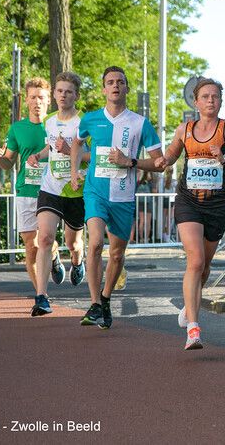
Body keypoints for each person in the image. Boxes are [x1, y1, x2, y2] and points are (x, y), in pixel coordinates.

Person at [156, 77, 225, 350]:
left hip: (217, 205)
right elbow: (170, 156)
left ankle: (190, 305)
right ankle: (193, 329)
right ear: (196, 102)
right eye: (206, 96)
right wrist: (163, 160)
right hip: (189, 201)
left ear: (221, 101)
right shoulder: (184, 129)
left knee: (205, 266)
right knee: (195, 260)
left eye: (215, 96)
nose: (211, 100)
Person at [70, 65, 163, 329]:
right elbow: (77, 143)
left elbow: (159, 163)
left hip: (123, 197)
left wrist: (129, 161)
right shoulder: (90, 119)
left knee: (118, 255)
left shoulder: (140, 123)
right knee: (96, 244)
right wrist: (76, 171)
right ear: (103, 89)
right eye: (110, 82)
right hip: (95, 192)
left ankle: (106, 298)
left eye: (120, 82)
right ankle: (95, 304)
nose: (115, 86)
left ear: (126, 88)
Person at [0, 77, 65, 303]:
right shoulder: (17, 128)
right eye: (33, 97)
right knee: (30, 244)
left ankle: (54, 254)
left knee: (44, 238)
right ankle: (40, 294)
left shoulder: (56, 124)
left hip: (52, 190)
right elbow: (8, 162)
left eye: (41, 97)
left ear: (48, 100)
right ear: (27, 101)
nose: (37, 102)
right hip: (26, 190)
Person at [24, 71, 88, 316]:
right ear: (55, 94)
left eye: (68, 91)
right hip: (50, 187)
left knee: (73, 242)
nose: (63, 95)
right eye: (59, 91)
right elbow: (50, 148)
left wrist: (71, 149)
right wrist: (38, 156)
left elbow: (93, 156)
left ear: (76, 95)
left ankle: (76, 259)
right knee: (44, 238)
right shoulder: (49, 120)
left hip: (75, 190)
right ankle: (41, 297)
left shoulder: (85, 123)